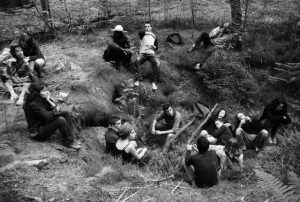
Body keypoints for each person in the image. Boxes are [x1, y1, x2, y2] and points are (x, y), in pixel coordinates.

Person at [23, 81, 82, 149]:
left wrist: (48, 100)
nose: (47, 92)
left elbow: (53, 109)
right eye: (44, 91)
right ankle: (68, 141)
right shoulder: (34, 104)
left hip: (43, 124)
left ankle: (72, 137)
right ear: (37, 93)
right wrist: (59, 104)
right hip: (38, 133)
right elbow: (48, 116)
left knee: (65, 113)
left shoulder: (42, 98)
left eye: (46, 90)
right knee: (60, 120)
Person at [134, 22, 160, 91]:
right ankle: (137, 80)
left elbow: (156, 47)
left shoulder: (154, 36)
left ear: (151, 27)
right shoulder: (142, 34)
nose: (147, 27)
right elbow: (140, 31)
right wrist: (150, 33)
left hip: (151, 54)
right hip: (143, 53)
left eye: (148, 26)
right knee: (137, 61)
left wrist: (153, 47)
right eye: (146, 26)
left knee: (157, 63)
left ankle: (154, 83)